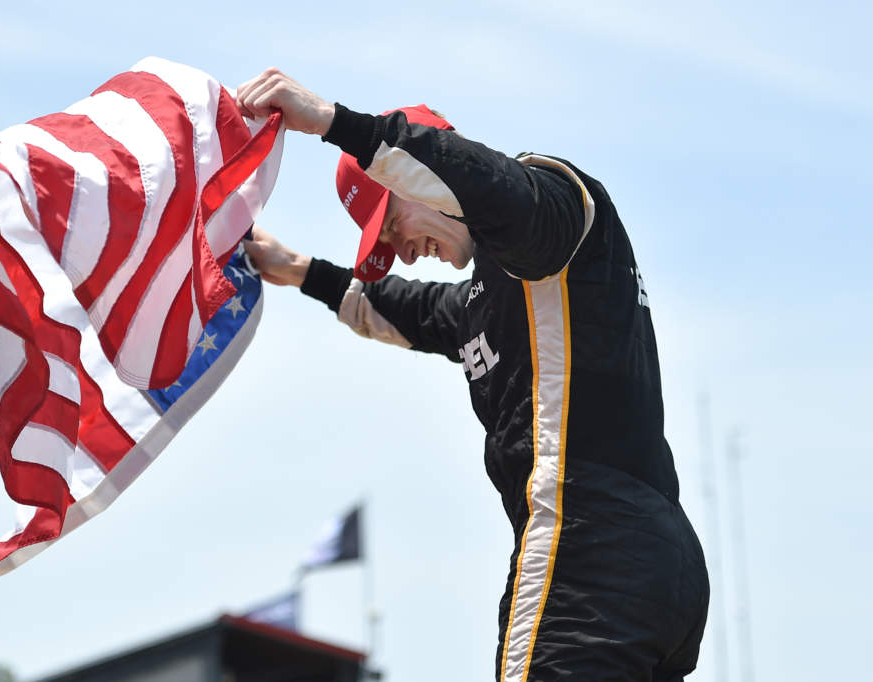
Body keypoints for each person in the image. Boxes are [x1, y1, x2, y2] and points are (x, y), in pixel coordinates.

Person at [236, 68, 709, 681]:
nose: (402, 251)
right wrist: (299, 270)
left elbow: (494, 190)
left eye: (392, 225)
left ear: (415, 176)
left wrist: (332, 122)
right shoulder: (498, 297)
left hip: (583, 551)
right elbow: (410, 310)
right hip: (654, 574)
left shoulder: (554, 205)